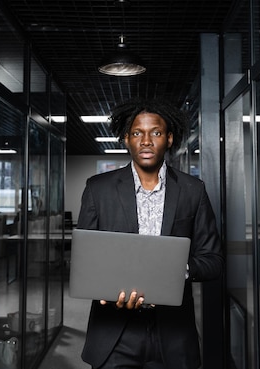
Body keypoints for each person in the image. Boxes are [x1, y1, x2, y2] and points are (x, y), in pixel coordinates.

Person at [76, 98, 223, 369]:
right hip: (114, 334)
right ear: (126, 139)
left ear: (168, 139)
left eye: (155, 132)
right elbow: (85, 260)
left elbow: (213, 260)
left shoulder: (193, 190)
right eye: (137, 133)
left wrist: (180, 270)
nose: (146, 140)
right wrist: (105, 289)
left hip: (174, 334)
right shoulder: (98, 189)